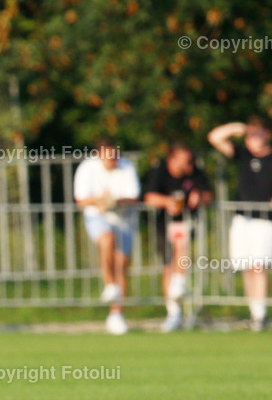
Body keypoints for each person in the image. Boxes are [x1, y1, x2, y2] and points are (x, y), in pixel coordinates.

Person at [208, 116, 272, 330]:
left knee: (259, 265)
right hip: (242, 219)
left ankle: (261, 313)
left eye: (257, 134)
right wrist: (237, 127)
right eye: (250, 135)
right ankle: (254, 312)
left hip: (264, 220)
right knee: (246, 265)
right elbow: (214, 137)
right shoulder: (243, 155)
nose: (253, 139)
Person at [142, 143, 213, 332]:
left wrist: (199, 196)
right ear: (173, 159)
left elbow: (208, 194)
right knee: (167, 265)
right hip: (163, 223)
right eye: (185, 160)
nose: (189, 164)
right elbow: (148, 196)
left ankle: (179, 283)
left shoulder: (194, 172)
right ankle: (173, 312)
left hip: (185, 222)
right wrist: (167, 202)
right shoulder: (160, 171)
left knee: (181, 246)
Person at [73, 139, 140, 335]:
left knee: (122, 262)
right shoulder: (87, 168)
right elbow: (81, 200)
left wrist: (114, 201)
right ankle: (110, 285)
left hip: (124, 218)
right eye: (108, 157)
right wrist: (99, 200)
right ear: (99, 155)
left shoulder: (126, 166)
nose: (113, 160)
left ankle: (117, 313)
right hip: (98, 216)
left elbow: (134, 195)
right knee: (107, 239)